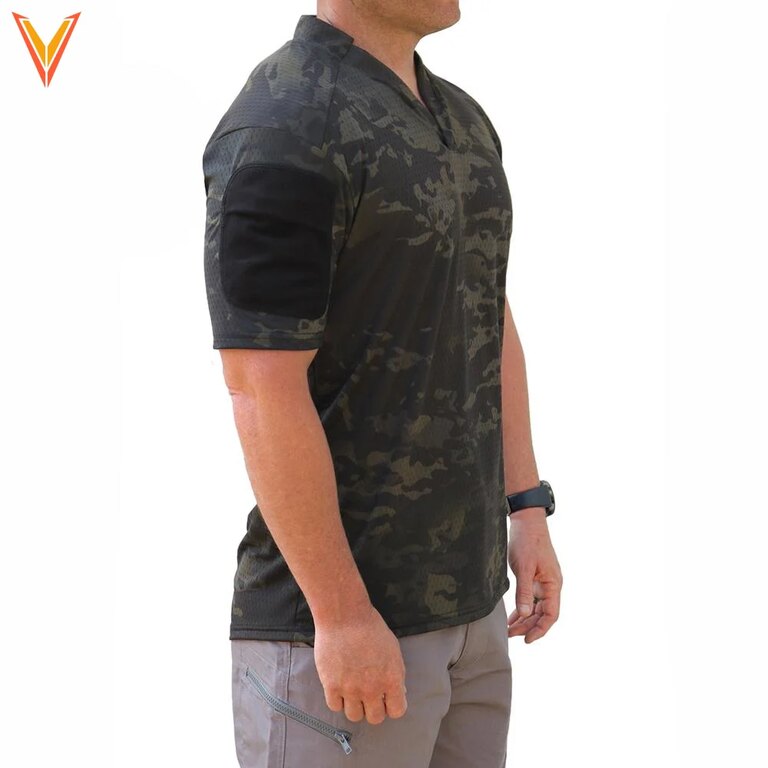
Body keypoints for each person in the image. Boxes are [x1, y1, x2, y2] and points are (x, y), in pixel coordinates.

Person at [201, 3, 563, 766]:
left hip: (473, 614)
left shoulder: (462, 121)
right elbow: (260, 388)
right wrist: (341, 613)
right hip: (340, 635)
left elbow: (485, 311)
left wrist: (526, 506)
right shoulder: (286, 123)